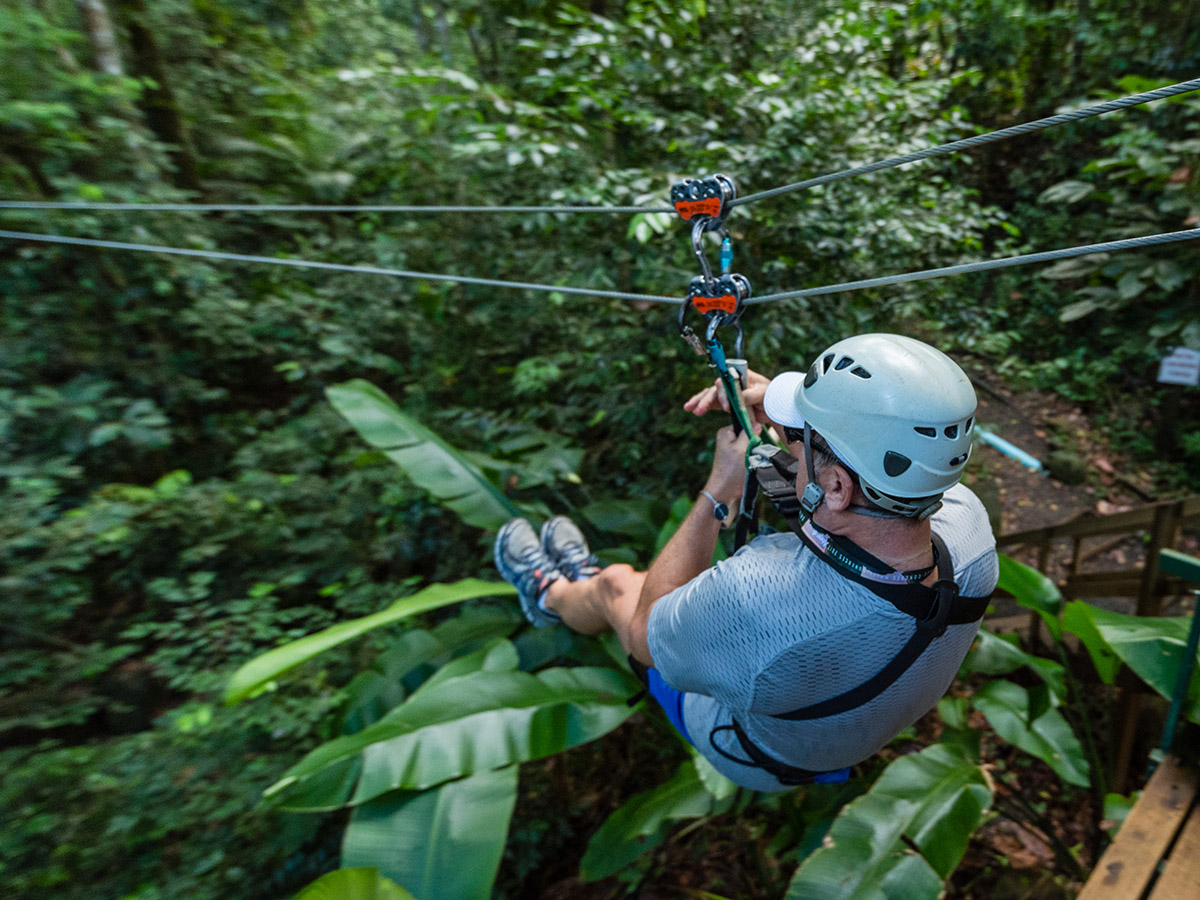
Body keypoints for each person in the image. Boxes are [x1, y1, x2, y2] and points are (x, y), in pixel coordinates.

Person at [494, 333, 998, 790]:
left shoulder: (758, 600)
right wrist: (782, 404)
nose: (789, 441)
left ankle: (552, 593)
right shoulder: (970, 527)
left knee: (617, 586)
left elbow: (647, 636)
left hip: (750, 748)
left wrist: (721, 489)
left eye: (799, 438)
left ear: (839, 488)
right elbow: (852, 491)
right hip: (843, 716)